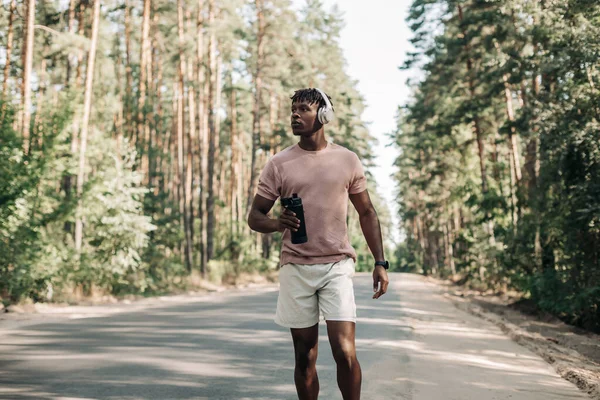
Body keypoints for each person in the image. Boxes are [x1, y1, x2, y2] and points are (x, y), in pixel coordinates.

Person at [247, 88, 390, 400]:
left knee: (344, 350)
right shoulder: (279, 163)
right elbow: (255, 216)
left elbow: (366, 212)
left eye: (304, 110)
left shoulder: (347, 160)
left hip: (337, 266)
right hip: (295, 268)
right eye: (293, 110)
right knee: (305, 355)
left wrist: (380, 262)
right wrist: (277, 223)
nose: (295, 115)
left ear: (323, 115)